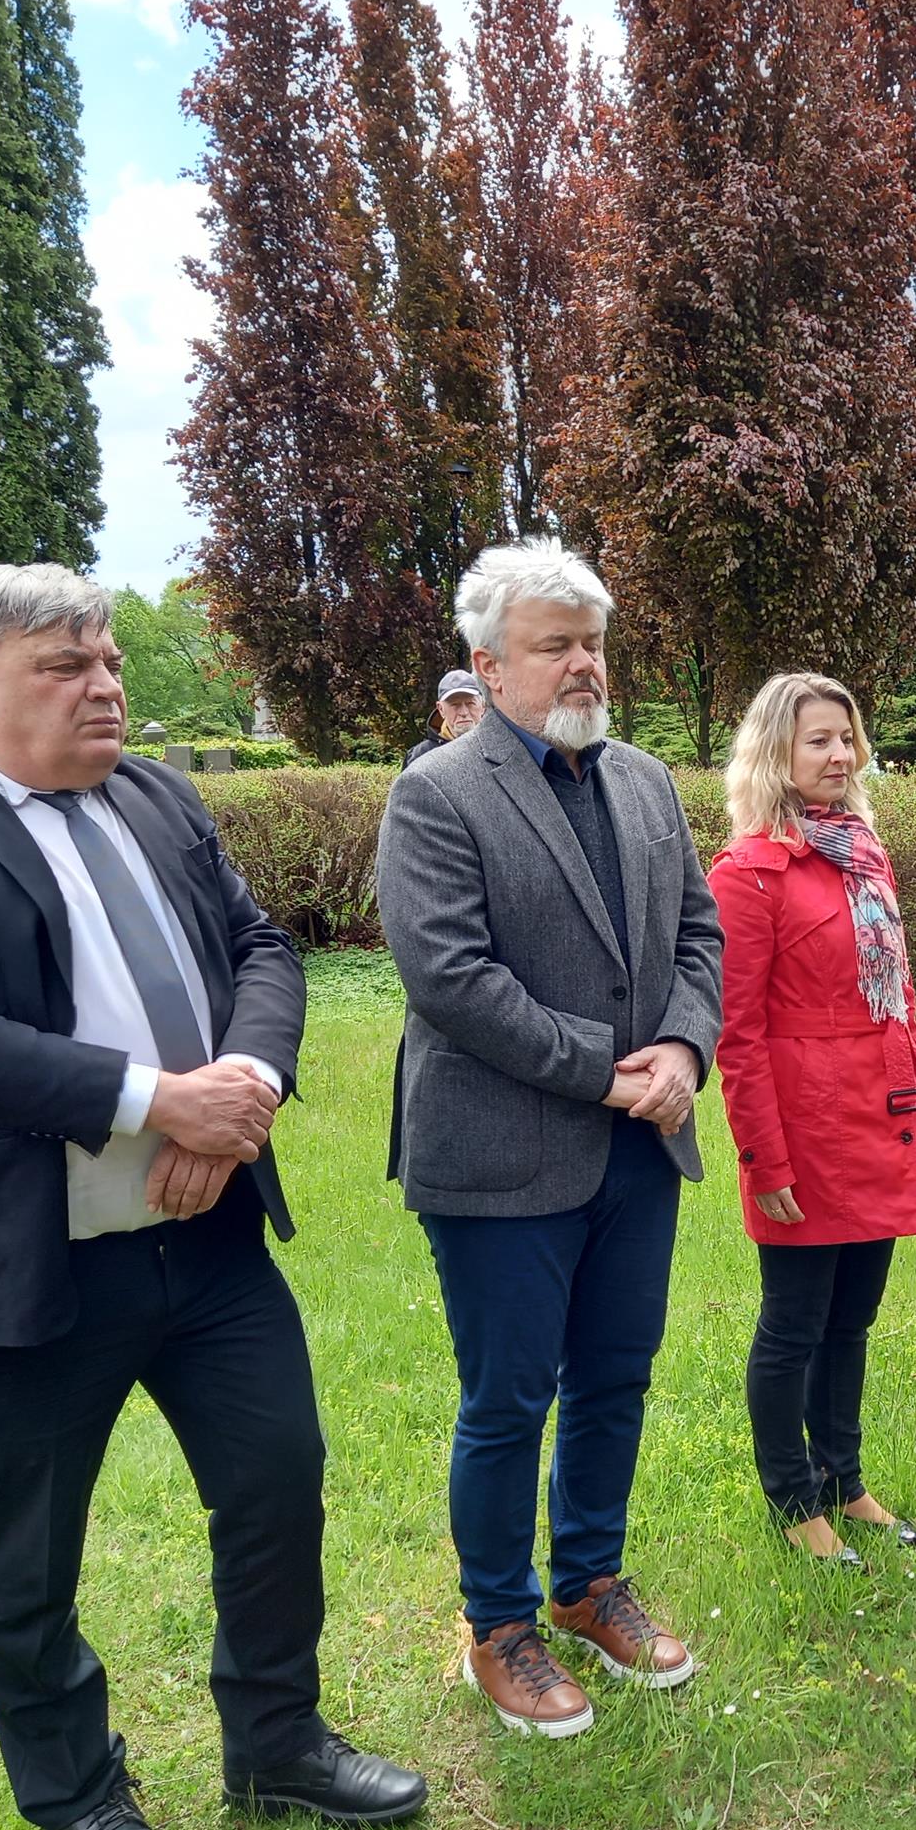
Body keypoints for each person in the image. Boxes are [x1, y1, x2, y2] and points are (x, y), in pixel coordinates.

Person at [0, 564, 424, 1830]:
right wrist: (161, 1103)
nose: (105, 687)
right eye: (65, 666)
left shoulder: (155, 794)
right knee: (25, 1558)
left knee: (276, 1486)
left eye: (110, 663)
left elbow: (259, 950)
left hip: (210, 1238)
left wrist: (244, 1089)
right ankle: (79, 1799)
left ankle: (278, 1747)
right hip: (28, 1266)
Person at [376, 537, 723, 1739]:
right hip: (500, 1151)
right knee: (509, 1398)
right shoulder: (437, 792)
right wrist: (607, 1074)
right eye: (554, 646)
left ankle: (587, 1584)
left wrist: (682, 1052)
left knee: (616, 1376)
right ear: (488, 664)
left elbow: (698, 935)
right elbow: (450, 978)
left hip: (639, 1146)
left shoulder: (645, 782)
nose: (583, 665)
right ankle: (499, 1626)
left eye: (593, 644)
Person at [708, 673, 916, 1567]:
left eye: (846, 737)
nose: (840, 755)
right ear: (775, 752)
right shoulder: (747, 875)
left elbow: (892, 999)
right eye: (818, 740)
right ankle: (793, 1500)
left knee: (852, 1320)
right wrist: (763, 1159)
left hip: (880, 1118)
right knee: (794, 1325)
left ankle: (844, 1481)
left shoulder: (861, 853)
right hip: (806, 1134)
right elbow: (737, 1034)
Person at [402, 669, 484, 765]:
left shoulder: (496, 747)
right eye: (455, 705)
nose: (464, 712)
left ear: (483, 706)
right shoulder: (419, 757)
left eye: (470, 703)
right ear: (441, 709)